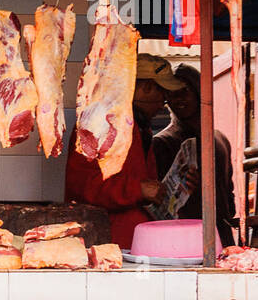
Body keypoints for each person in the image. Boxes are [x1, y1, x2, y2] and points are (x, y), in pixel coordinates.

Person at [64, 52, 183, 249]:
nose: (163, 102)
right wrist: (138, 190)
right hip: (102, 242)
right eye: (162, 94)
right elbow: (83, 187)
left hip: (131, 239)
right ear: (146, 88)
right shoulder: (99, 122)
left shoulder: (140, 127)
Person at [151, 63, 237, 247]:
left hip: (222, 236)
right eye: (172, 92)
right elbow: (156, 204)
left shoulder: (219, 140)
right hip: (184, 242)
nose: (178, 98)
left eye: (185, 90)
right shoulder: (162, 143)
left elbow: (229, 194)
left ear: (200, 92)